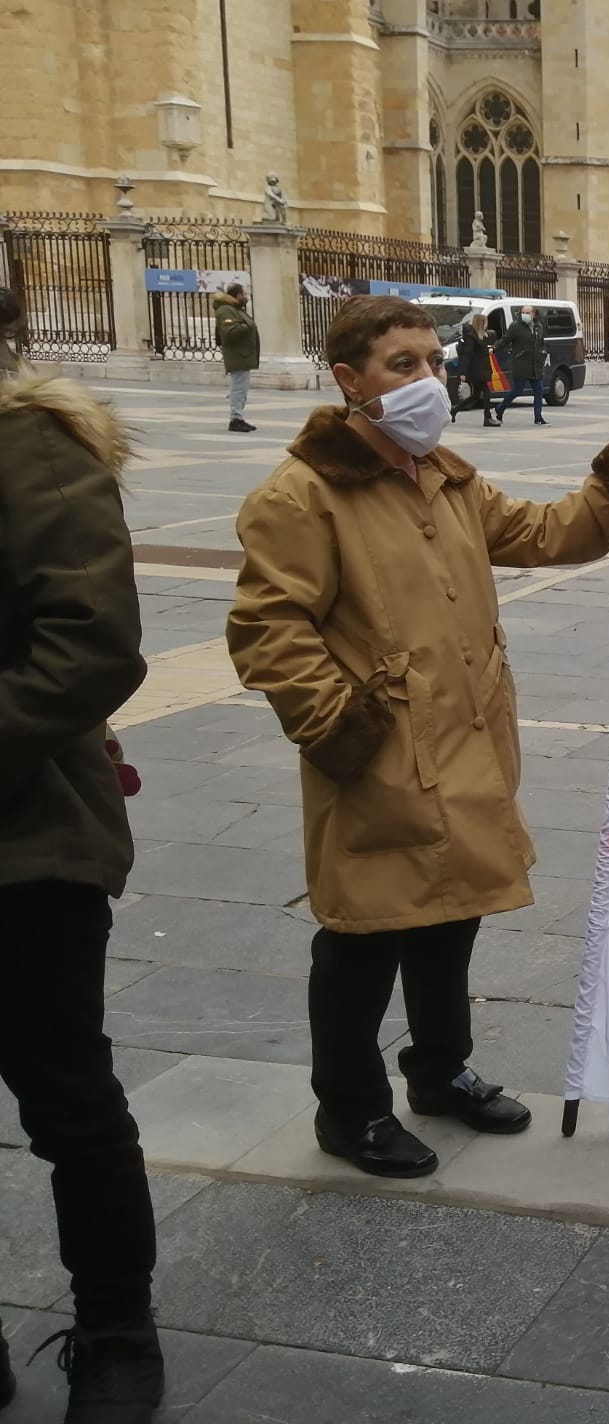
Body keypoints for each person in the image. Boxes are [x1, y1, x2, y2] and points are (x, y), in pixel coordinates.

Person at [225, 296, 609, 1180]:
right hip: (379, 758)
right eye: (403, 364)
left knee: (449, 920)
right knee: (362, 938)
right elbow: (267, 627)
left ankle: (438, 1071)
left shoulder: (446, 477)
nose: (429, 379)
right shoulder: (301, 495)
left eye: (434, 361)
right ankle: (349, 1111)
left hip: (464, 748)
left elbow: (554, 534)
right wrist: (342, 730)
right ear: (350, 381)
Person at [1, 365, 168, 1420]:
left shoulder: (31, 446)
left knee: (68, 1098)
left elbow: (91, 644)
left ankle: (115, 1330)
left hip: (24, 841)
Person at [214, 283, 261, 434]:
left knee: (241, 388)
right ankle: (235, 419)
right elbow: (229, 332)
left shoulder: (234, 309)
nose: (246, 297)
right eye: (244, 294)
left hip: (242, 355)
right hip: (237, 355)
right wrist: (249, 327)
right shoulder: (226, 310)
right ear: (237, 295)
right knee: (238, 389)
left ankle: (238, 417)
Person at [490, 306, 548, 426]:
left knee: (539, 390)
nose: (525, 315)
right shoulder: (516, 326)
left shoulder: (539, 327)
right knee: (516, 390)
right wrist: (494, 347)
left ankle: (538, 417)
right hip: (522, 363)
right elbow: (505, 339)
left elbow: (541, 343)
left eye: (527, 312)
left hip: (536, 365)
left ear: (533, 314)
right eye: (523, 312)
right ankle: (499, 409)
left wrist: (543, 353)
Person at [455, 314, 490, 420]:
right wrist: (463, 372)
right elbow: (467, 355)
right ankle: (487, 418)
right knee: (487, 392)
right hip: (477, 370)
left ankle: (455, 409)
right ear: (482, 323)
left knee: (475, 395)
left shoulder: (479, 336)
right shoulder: (471, 337)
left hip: (480, 368)